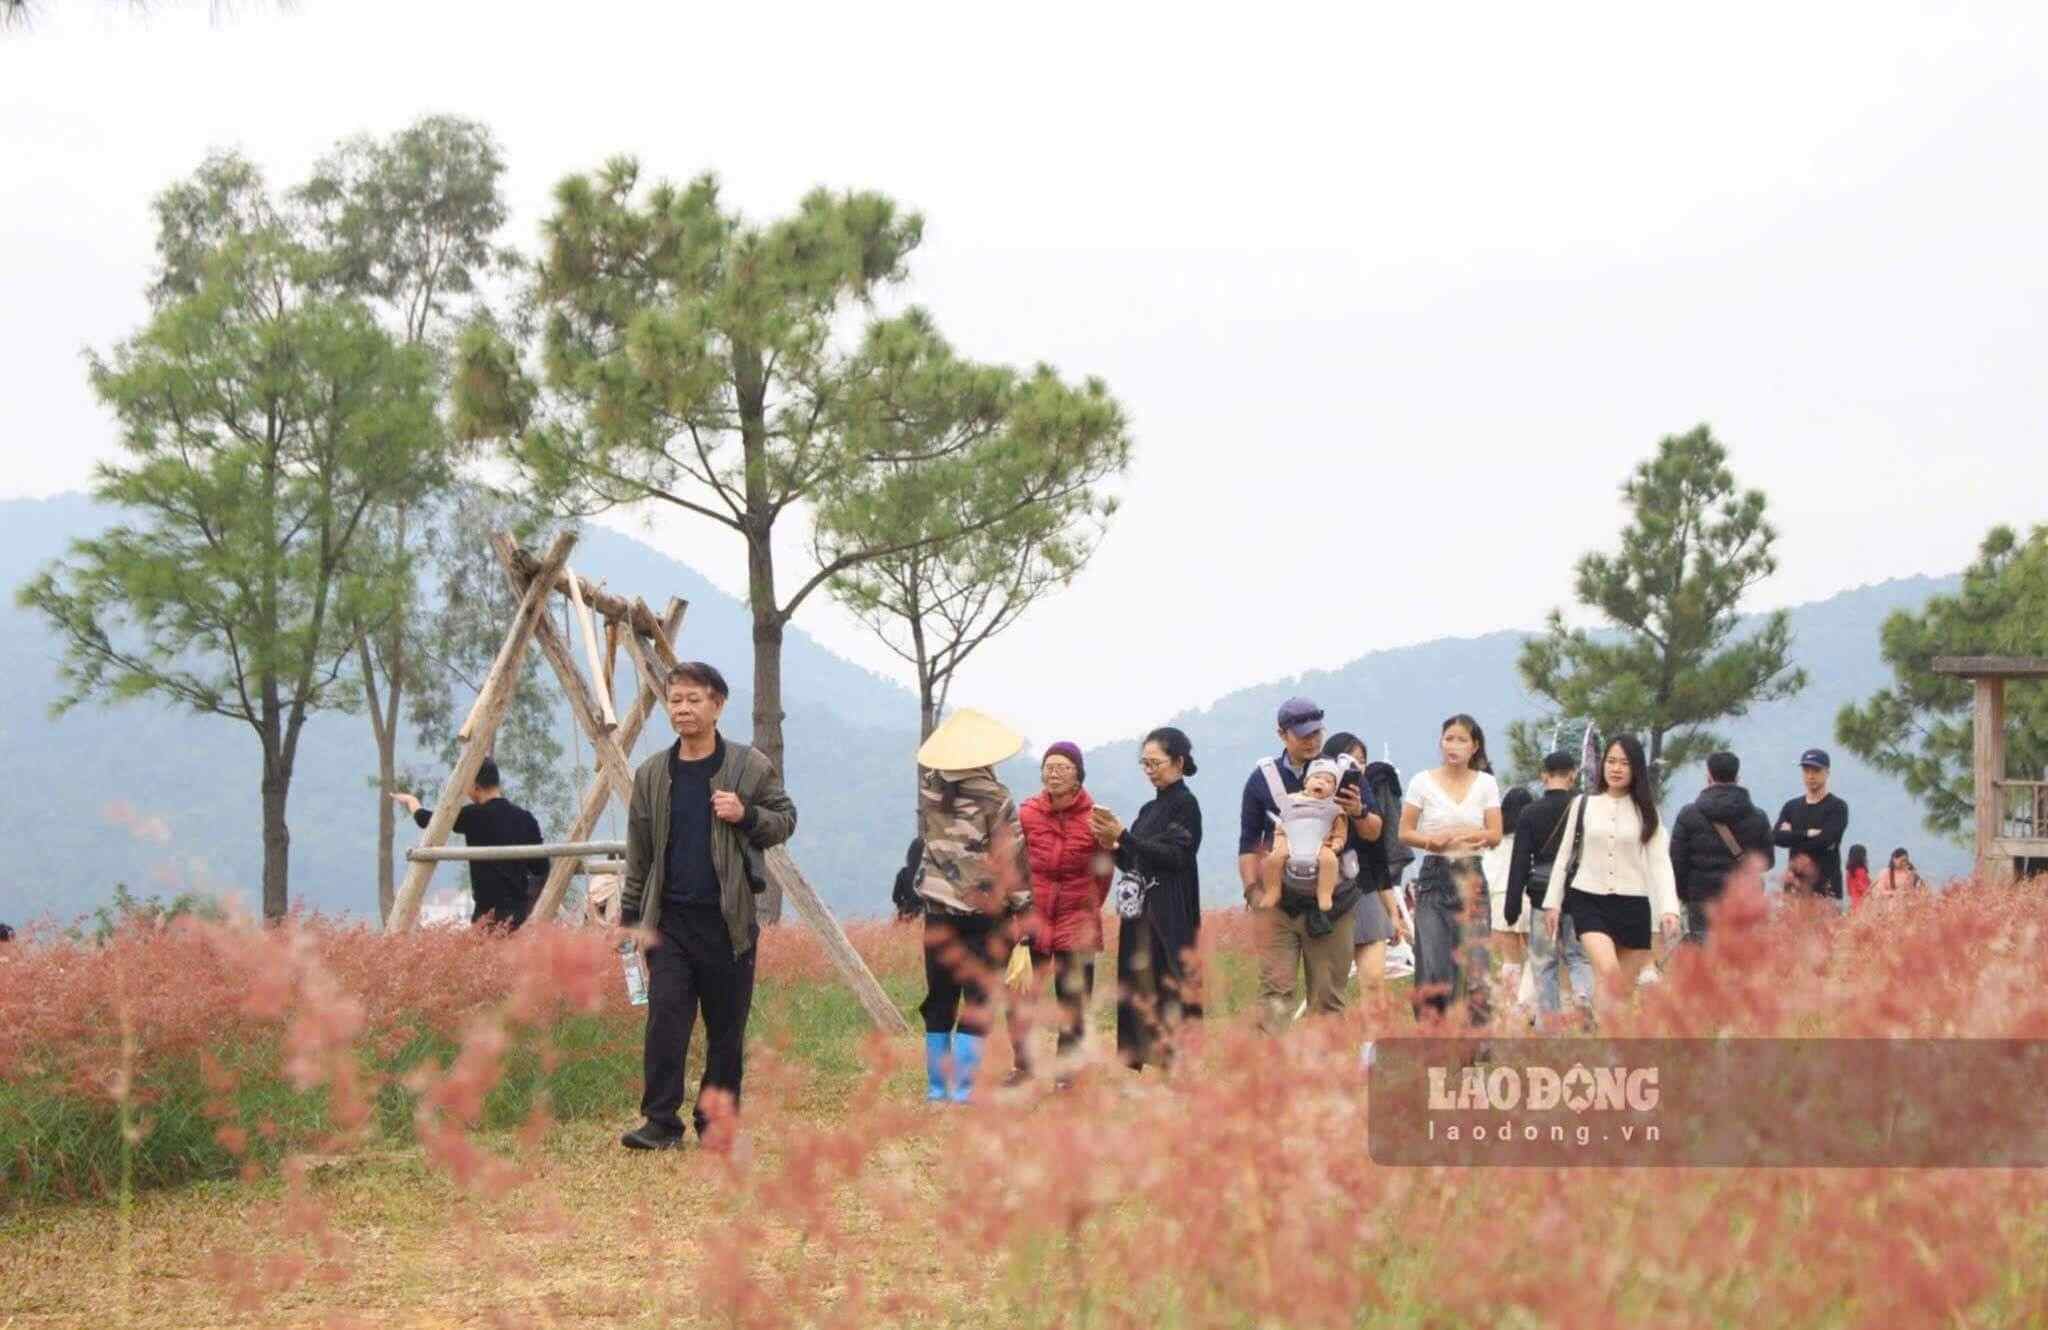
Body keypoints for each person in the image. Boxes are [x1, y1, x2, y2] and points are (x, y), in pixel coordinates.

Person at [617, 662, 798, 1151]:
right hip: (669, 922)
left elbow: (785, 819)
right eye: (675, 699)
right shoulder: (652, 774)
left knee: (725, 1032)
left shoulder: (748, 766)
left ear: (718, 705)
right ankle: (660, 1123)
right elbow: (639, 853)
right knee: (666, 1023)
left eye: (694, 699)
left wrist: (746, 814)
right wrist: (631, 918)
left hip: (728, 923)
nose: (682, 708)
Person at [911, 708, 1034, 1105]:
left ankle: (936, 1089)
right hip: (985, 914)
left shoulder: (930, 792)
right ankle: (963, 1089)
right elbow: (1011, 859)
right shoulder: (995, 797)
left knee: (940, 997)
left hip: (938, 911)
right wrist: (1024, 909)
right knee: (978, 998)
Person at [1238, 698, 1371, 1034]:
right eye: (1303, 735)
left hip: (1333, 905)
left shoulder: (1344, 775)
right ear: (1282, 735)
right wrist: (1252, 891)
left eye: (1316, 733)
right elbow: (1249, 842)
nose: (1312, 741)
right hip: (1278, 904)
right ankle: (1268, 1066)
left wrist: (1358, 811)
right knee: (1275, 994)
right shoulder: (1262, 780)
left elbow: (1374, 832)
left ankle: (1324, 1067)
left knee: (1328, 999)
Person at [1541, 735, 1682, 1019]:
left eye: (1624, 763)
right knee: (1610, 973)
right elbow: (1564, 856)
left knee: (1621, 994)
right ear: (1602, 764)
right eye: (1611, 761)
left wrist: (1670, 909)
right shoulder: (1583, 804)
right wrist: (1552, 903)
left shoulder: (1647, 813)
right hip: (1588, 900)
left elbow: (1660, 864)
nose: (1616, 768)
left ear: (1636, 768)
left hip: (1633, 904)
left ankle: (1607, 1039)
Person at [1095, 727, 1203, 1071]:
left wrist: (1125, 837)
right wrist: (1112, 845)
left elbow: (1177, 856)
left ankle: (1179, 1065)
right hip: (1140, 910)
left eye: (1155, 763)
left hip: (1172, 910)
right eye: (1145, 763)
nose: (1149, 770)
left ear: (1178, 762)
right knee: (1139, 983)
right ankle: (1138, 1060)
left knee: (1172, 983)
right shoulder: (1148, 809)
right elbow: (1134, 861)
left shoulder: (1186, 805)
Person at [1010, 742, 1113, 1087]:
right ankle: (1024, 1067)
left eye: (1062, 767)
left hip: (1077, 919)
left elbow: (1104, 871)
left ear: (1078, 775)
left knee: (1073, 1000)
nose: (1053, 773)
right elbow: (1015, 862)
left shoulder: (1096, 818)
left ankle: (1066, 1075)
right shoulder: (1027, 813)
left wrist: (1087, 906)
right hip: (1034, 917)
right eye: (1048, 767)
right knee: (1021, 997)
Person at [1397, 714, 1503, 1021]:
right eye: (1448, 739)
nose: (1453, 745)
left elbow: (1495, 834)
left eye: (1461, 740)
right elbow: (1405, 832)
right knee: (1435, 968)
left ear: (1474, 746)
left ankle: (1477, 1039)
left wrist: (1476, 836)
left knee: (1476, 968)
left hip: (1471, 876)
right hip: (1434, 875)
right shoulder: (1422, 782)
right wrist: (1431, 842)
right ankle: (1433, 1033)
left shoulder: (1485, 783)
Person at [392, 759, 547, 930]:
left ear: (475, 786)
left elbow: (428, 820)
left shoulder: (473, 816)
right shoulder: (526, 818)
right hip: (520, 917)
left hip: (486, 919)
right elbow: (540, 867)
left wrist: (412, 802)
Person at [1503, 751, 1594, 1018]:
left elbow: (1520, 861)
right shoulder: (1585, 809)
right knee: (1578, 956)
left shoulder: (1530, 813)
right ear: (1573, 775)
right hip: (1578, 893)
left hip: (1542, 896)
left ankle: (1550, 1026)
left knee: (1544, 963)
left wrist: (1511, 907)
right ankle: (1582, 993)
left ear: (1544, 776)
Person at [1323, 733, 1404, 998]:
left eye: (1361, 761)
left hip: (1364, 892)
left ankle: (1373, 1027)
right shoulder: (1314, 797)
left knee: (1373, 981)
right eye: (1348, 759)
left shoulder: (1367, 802)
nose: (1356, 766)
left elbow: (1379, 860)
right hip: (1327, 896)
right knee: (1329, 987)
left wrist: (1393, 912)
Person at [1668, 751, 1775, 944]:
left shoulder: (1688, 815)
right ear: (1737, 778)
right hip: (1743, 899)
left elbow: (1677, 861)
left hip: (1701, 899)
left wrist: (1686, 895)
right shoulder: (1758, 817)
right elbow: (1767, 861)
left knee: (1704, 954)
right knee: (1740, 954)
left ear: (1708, 777)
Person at [1256, 757, 1350, 916]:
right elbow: (1281, 827)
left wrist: (1337, 843)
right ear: (1306, 782)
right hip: (1291, 842)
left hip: (1321, 844)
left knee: (1330, 861)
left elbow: (1340, 830)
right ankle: (1273, 891)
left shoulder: (1334, 808)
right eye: (1317, 777)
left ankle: (1324, 893)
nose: (1321, 782)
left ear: (1334, 789)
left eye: (1328, 781)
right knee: (1272, 860)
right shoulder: (1290, 801)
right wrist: (1278, 844)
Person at [1774, 749, 1850, 903]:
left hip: (1826, 891)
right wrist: (1806, 834)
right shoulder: (1791, 806)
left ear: (1827, 773)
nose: (1810, 776)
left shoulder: (1837, 807)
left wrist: (1791, 837)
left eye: (1816, 770)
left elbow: (1825, 840)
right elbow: (1775, 837)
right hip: (1794, 889)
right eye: (1806, 771)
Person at [1481, 785, 1533, 990]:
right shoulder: (1532, 837)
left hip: (1500, 899)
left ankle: (1512, 1001)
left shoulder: (1493, 840)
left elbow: (1486, 871)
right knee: (1536, 956)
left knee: (1510, 959)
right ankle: (1533, 999)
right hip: (1529, 898)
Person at [891, 836, 926, 920]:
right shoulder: (929, 874)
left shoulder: (903, 873)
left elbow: (895, 897)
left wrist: (904, 906)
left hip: (907, 915)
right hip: (927, 916)